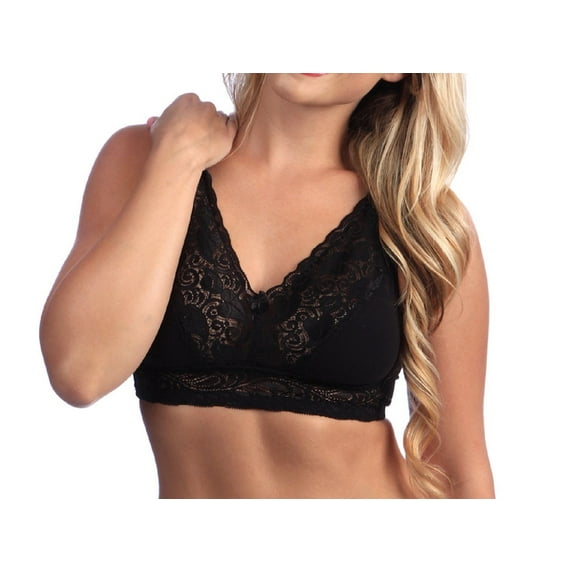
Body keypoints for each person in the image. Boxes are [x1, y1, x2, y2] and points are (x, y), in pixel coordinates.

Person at [39, 73, 494, 498]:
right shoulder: (146, 157)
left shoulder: (423, 222)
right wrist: (176, 160)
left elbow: (459, 467)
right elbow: (80, 373)